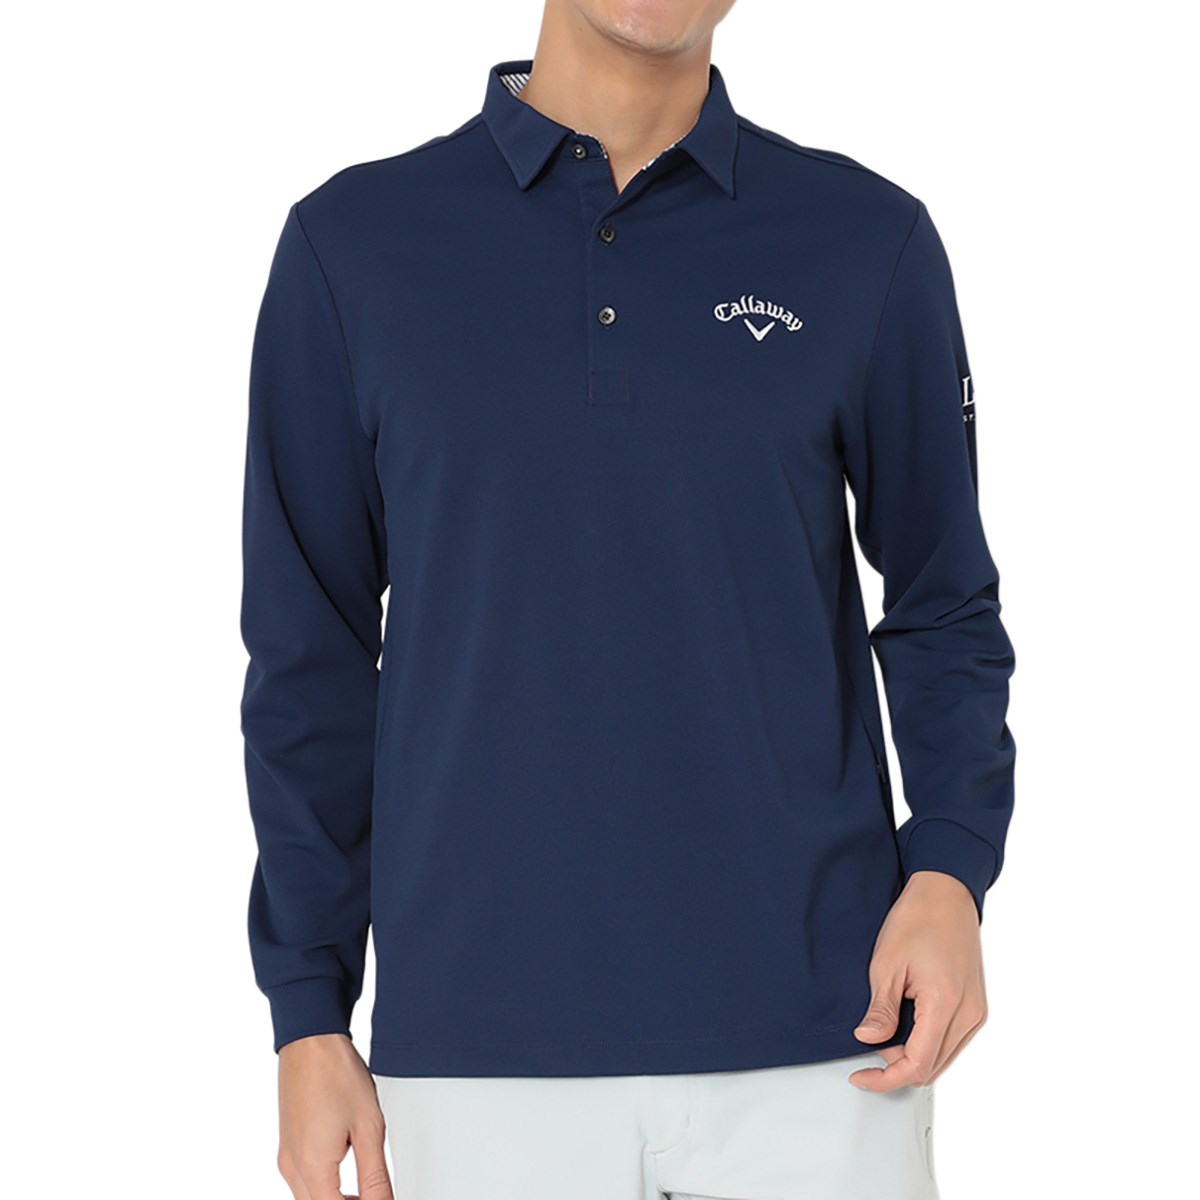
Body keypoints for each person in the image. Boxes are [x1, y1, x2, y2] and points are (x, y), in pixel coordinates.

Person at [238, 2, 1017, 1197]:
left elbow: (943, 603)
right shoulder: (352, 249)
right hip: (480, 1059)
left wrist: (951, 869)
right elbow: (311, 660)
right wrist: (307, 1010)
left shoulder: (866, 240)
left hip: (829, 1049)